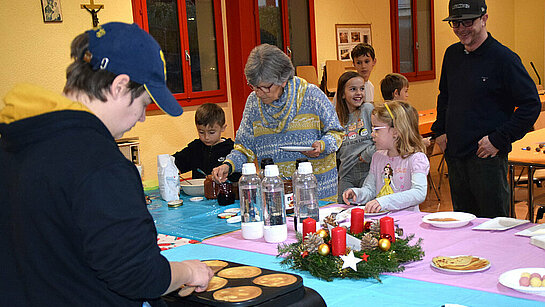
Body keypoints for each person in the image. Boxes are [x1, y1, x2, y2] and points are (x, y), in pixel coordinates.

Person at [0, 22, 213, 306]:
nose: (141, 119)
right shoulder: (100, 163)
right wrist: (188, 270)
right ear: (119, 86)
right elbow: (139, 274)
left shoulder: (15, 139)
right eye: (144, 104)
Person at [432, 0, 541, 218]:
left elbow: (531, 105)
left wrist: (498, 140)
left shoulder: (504, 59)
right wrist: (440, 130)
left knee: (495, 226)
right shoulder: (452, 55)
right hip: (455, 157)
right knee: (463, 224)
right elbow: (445, 95)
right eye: (456, 24)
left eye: (467, 22)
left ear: (484, 19)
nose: (461, 29)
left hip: (487, 160)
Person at [212, 44, 344, 201]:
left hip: (317, 192)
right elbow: (244, 147)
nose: (258, 93)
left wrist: (322, 145)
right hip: (275, 194)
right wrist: (228, 165)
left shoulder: (312, 96)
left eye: (265, 87)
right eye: (253, 86)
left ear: (282, 79)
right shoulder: (253, 103)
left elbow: (336, 133)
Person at [343, 101, 429, 213]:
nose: (372, 134)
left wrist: (384, 201)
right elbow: (370, 190)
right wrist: (357, 194)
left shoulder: (416, 159)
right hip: (381, 222)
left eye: (377, 129)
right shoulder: (377, 157)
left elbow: (419, 193)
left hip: (406, 222)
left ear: (396, 132)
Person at [173, 103, 241, 182]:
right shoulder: (195, 148)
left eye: (211, 132)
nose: (206, 137)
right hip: (197, 193)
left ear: (223, 128)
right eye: (201, 132)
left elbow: (237, 178)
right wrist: (173, 168)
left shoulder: (232, 149)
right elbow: (175, 162)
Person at [335, 71, 376, 203]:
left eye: (362, 89)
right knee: (343, 208)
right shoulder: (337, 118)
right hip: (346, 173)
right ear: (342, 93)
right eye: (353, 89)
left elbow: (380, 138)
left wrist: (366, 155)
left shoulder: (368, 110)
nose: (359, 93)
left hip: (368, 170)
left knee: (368, 208)